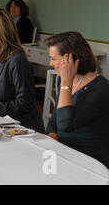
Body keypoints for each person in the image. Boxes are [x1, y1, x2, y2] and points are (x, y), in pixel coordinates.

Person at [45, 32, 109, 168]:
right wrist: (51, 135)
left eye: (53, 58)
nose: (50, 64)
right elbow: (53, 121)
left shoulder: (100, 88)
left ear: (71, 59)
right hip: (64, 152)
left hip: (90, 161)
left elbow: (65, 126)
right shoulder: (67, 82)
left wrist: (65, 84)